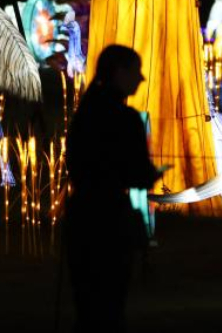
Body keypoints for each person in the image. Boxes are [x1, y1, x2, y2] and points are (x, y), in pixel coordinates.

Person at [65, 45, 163, 332]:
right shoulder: (125, 119)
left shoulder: (83, 114)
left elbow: (74, 162)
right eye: (135, 71)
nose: (141, 78)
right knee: (109, 304)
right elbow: (138, 175)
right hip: (110, 221)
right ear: (120, 73)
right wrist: (151, 174)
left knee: (87, 304)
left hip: (81, 217)